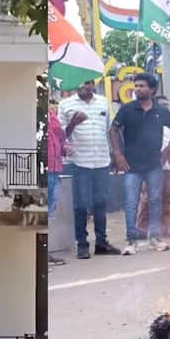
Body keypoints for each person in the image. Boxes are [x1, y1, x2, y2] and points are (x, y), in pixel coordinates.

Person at [111, 73, 170, 255]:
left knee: (155, 200)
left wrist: (169, 148)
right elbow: (114, 129)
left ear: (152, 89)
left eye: (142, 86)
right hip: (131, 165)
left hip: (154, 164)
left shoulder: (160, 110)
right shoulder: (127, 109)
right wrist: (118, 154)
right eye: (136, 86)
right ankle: (131, 241)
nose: (138, 89)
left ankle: (154, 238)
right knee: (132, 202)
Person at [59, 80, 122, 260]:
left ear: (93, 84)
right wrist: (73, 123)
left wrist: (116, 154)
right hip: (79, 162)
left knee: (101, 202)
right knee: (80, 205)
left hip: (101, 160)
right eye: (80, 83)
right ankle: (82, 244)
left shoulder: (103, 102)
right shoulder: (66, 105)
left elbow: (111, 130)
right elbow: (61, 136)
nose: (83, 86)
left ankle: (101, 242)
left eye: (87, 83)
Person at [138, 94, 170, 239]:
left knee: (167, 196)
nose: (165, 107)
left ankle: (164, 228)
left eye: (167, 104)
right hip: (152, 165)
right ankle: (142, 228)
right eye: (162, 104)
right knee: (149, 196)